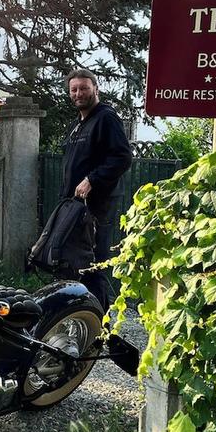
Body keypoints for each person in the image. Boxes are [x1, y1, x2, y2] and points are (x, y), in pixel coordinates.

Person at [60, 68, 132, 311]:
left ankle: (101, 325)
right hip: (75, 207)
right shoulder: (78, 124)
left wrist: (92, 179)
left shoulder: (106, 118)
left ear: (96, 89)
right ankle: (81, 319)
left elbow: (122, 157)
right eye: (74, 89)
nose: (78, 93)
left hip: (97, 208)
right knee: (74, 266)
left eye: (84, 88)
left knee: (92, 267)